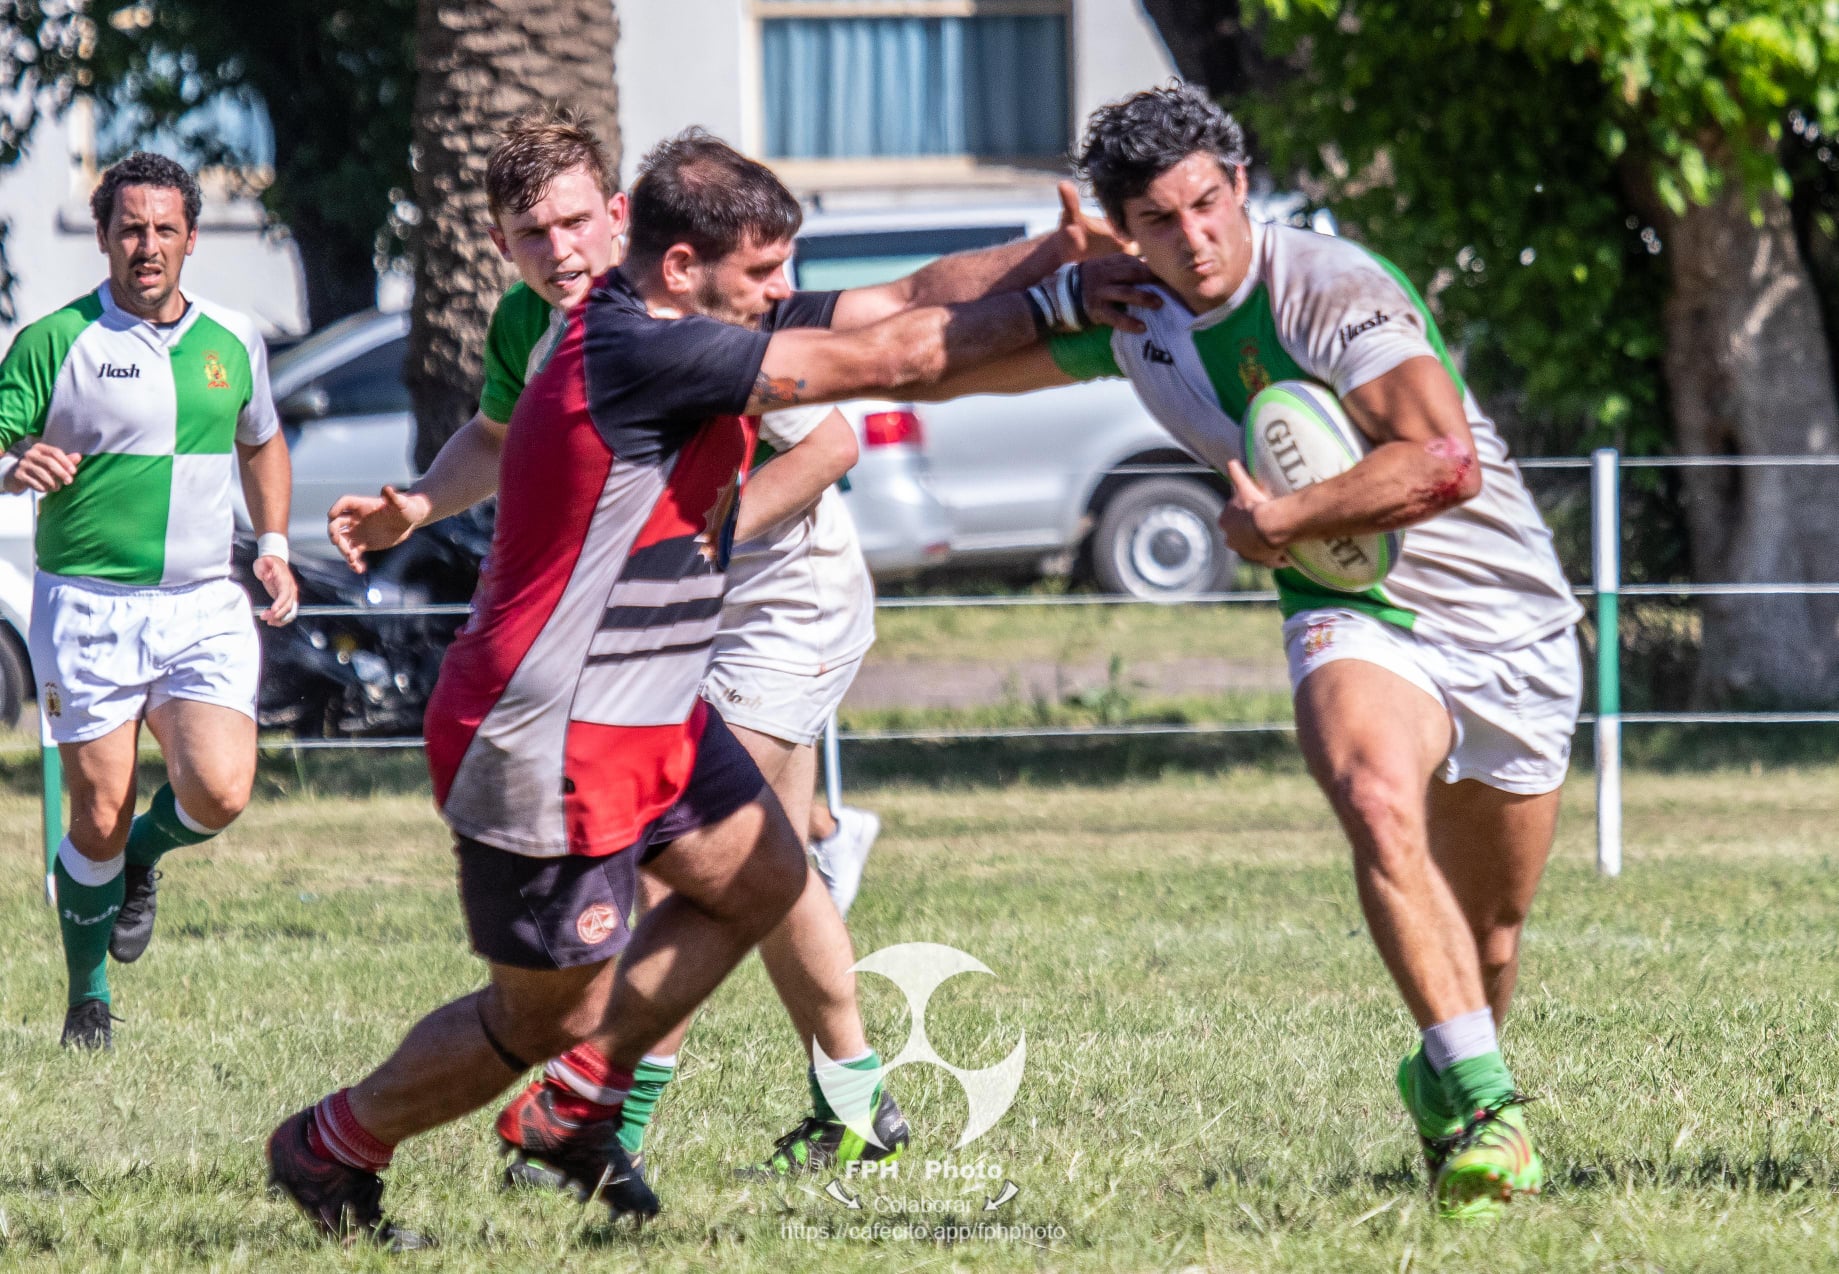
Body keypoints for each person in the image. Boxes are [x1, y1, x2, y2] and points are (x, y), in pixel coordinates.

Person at [272, 123, 1125, 1247]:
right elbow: (898, 361)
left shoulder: (698, 315)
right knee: (543, 1014)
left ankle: (578, 1107)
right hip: (547, 731)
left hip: (652, 705)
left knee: (766, 880)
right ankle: (332, 1143)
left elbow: (905, 297)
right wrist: (1071, 306)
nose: (785, 293)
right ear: (682, 267)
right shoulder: (632, 347)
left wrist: (1058, 260)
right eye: (763, 275)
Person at [905, 84, 1583, 1220]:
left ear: (1240, 185)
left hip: (1503, 615)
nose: (1196, 238)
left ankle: (1451, 1073)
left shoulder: (1329, 285)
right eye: (1161, 220)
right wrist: (753, 344)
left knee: (1494, 931)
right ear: (1128, 228)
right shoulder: (1133, 313)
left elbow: (1444, 459)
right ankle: (1489, 1112)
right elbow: (931, 346)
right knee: (1372, 794)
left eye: (1208, 204)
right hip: (1352, 609)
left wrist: (1287, 518)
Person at [0, 152, 297, 1052]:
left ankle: (143, 857)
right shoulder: (55, 340)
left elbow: (264, 439)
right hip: (88, 608)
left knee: (221, 790)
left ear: (192, 239)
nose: (148, 245)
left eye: (165, 228)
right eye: (130, 228)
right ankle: (87, 999)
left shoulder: (232, 341)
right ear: (103, 238)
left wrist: (275, 545)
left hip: (203, 603)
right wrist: (14, 465)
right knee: (94, 813)